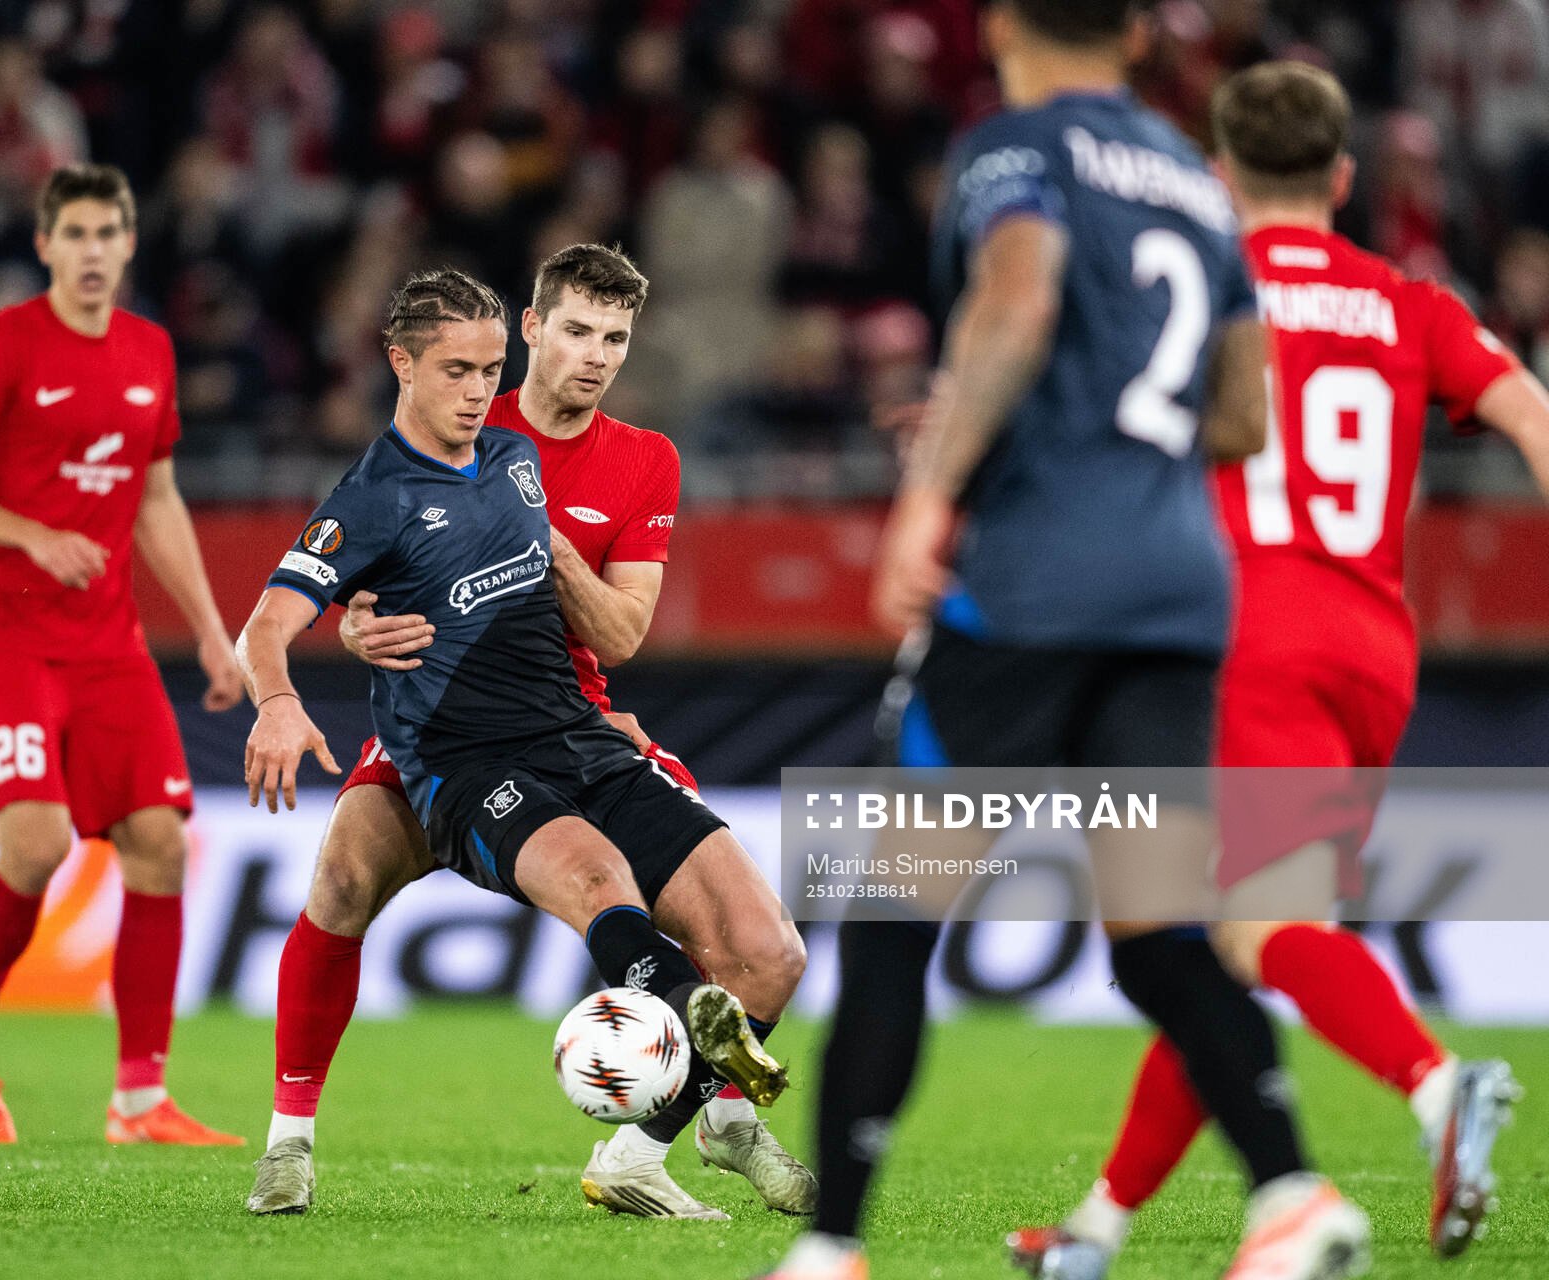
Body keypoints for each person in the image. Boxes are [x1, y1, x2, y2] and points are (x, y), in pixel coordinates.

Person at [761, 4, 1366, 1279]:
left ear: (997, 26)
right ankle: (1295, 1191)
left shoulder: (1014, 147)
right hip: (1177, 593)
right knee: (1159, 931)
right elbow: (1244, 412)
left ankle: (830, 1250)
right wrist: (1074, 428)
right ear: (1139, 34)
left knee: (890, 915)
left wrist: (935, 481)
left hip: (1033, 589)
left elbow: (1019, 295)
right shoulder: (1200, 186)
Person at [1011, 61, 1542, 1280]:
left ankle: (1436, 1083)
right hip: (1367, 646)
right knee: (1203, 938)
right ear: (1344, 178)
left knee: (1245, 928)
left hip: (1231, 632)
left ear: (1218, 173)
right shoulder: (1412, 300)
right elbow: (1526, 415)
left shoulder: (1197, 288)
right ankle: (1095, 1230)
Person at [250, 245, 814, 1220]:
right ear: (531, 329)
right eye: (579, 332)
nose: (595, 356)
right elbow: (339, 575)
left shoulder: (641, 460)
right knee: (342, 877)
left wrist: (537, 536)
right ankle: (288, 1142)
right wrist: (347, 623)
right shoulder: (457, 421)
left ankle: (656, 1143)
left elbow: (624, 633)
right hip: (446, 735)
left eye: (616, 339)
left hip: (578, 719)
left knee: (765, 948)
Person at [0, 163, 244, 1147]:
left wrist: (211, 626)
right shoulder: (3, 342)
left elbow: (155, 497)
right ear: (45, 245)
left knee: (159, 845)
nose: (95, 251)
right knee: (38, 843)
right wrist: (29, 534)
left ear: (131, 244)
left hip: (109, 646)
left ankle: (139, 1099)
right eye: (78, 234)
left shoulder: (150, 350)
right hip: (9, 638)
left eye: (111, 232)